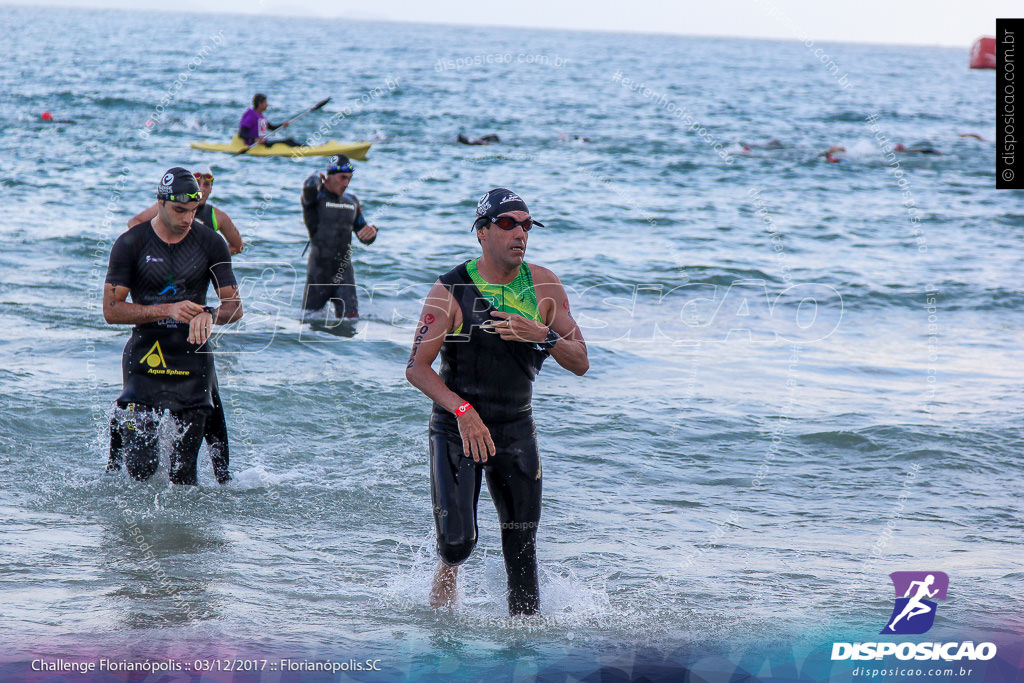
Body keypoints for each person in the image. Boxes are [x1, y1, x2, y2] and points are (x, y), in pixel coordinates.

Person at [405, 188, 589, 616]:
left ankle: (522, 656)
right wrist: (463, 411)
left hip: (515, 430)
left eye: (527, 225)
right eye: (508, 224)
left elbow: (580, 360)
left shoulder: (544, 285)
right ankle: (441, 622)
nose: (520, 233)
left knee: (522, 554)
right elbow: (417, 367)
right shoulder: (450, 289)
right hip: (458, 428)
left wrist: (542, 335)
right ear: (482, 233)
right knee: (457, 543)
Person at [104, 168, 242, 485]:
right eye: (180, 210)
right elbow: (111, 311)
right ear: (161, 203)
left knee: (183, 476)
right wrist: (169, 309)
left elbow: (234, 308)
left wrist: (209, 313)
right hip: (145, 357)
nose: (187, 218)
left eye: (193, 211)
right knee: (139, 470)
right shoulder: (130, 244)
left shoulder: (211, 244)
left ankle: (187, 535)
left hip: (193, 361)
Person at [301, 155, 378, 320]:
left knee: (351, 326)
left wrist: (371, 234)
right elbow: (309, 187)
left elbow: (363, 235)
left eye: (349, 179)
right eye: (343, 177)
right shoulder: (315, 197)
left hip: (345, 276)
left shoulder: (352, 201)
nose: (346, 184)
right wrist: (316, 174)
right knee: (309, 328)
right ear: (328, 175)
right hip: (318, 275)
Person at [128, 168, 244, 255]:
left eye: (206, 185)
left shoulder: (218, 216)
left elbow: (237, 247)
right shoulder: (168, 206)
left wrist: (207, 257)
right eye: (198, 184)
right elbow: (134, 221)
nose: (202, 189)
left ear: (211, 188)